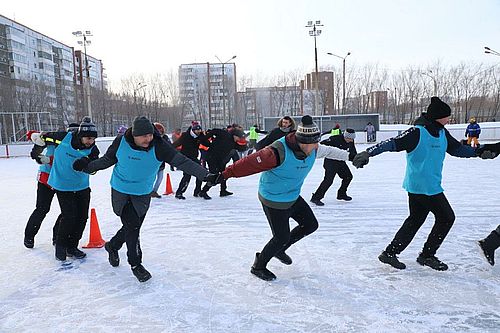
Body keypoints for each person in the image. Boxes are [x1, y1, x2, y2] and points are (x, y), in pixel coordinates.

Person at [80, 116, 217, 282]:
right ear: (134, 135)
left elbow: (182, 161)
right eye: (144, 136)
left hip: (142, 191)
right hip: (120, 189)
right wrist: (87, 167)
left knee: (133, 226)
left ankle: (113, 245)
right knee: (132, 225)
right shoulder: (121, 142)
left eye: (150, 135)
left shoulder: (159, 146)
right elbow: (108, 159)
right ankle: (136, 264)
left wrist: (206, 175)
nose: (148, 138)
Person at [352, 97, 481, 271]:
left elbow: (458, 149)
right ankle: (426, 255)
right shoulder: (417, 132)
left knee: (415, 219)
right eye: (447, 116)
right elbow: (391, 143)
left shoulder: (442, 132)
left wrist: (479, 152)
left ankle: (390, 253)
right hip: (423, 187)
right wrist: (368, 152)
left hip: (427, 185)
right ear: (437, 117)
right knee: (446, 217)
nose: (449, 119)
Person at [218, 115, 350, 281]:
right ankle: (258, 266)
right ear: (302, 141)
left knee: (310, 225)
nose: (317, 146)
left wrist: (351, 157)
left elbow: (330, 151)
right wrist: (224, 175)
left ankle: (280, 249)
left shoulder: (313, 148)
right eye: (313, 143)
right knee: (281, 237)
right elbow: (248, 164)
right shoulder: (277, 152)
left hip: (292, 195)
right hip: (273, 199)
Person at [31, 117, 100, 261]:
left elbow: (95, 162)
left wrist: (86, 162)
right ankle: (60, 247)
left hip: (82, 186)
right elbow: (42, 138)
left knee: (82, 217)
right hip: (62, 185)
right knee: (69, 217)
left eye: (93, 139)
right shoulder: (63, 138)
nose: (90, 141)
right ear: (81, 135)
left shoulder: (93, 148)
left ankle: (72, 246)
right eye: (88, 138)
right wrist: (36, 152)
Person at [198, 127, 247, 200]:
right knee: (214, 175)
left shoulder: (233, 143)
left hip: (220, 160)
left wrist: (248, 146)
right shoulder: (224, 134)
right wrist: (206, 139)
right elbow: (214, 130)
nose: (239, 139)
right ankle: (203, 191)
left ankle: (223, 190)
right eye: (238, 137)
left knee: (224, 174)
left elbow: (240, 148)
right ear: (234, 135)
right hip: (212, 158)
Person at [311, 128, 357, 206]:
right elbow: (321, 145)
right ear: (345, 136)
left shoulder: (351, 141)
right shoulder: (334, 139)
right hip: (330, 162)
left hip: (340, 161)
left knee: (348, 177)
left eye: (352, 139)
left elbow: (353, 152)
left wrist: (356, 160)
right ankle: (316, 198)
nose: (351, 141)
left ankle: (341, 194)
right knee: (328, 180)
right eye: (349, 139)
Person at [172, 122, 205, 199]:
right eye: (197, 131)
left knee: (201, 173)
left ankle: (197, 191)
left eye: (199, 131)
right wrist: (169, 149)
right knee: (187, 176)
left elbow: (205, 142)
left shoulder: (199, 136)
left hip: (194, 158)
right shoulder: (185, 135)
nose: (198, 132)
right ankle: (179, 193)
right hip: (185, 158)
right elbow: (177, 143)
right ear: (193, 131)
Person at [150, 122, 170, 198]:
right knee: (151, 178)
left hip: (161, 162)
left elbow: (169, 147)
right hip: (153, 162)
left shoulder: (165, 138)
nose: (159, 133)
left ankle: (154, 191)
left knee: (160, 178)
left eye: (161, 132)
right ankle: (148, 191)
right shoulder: (151, 139)